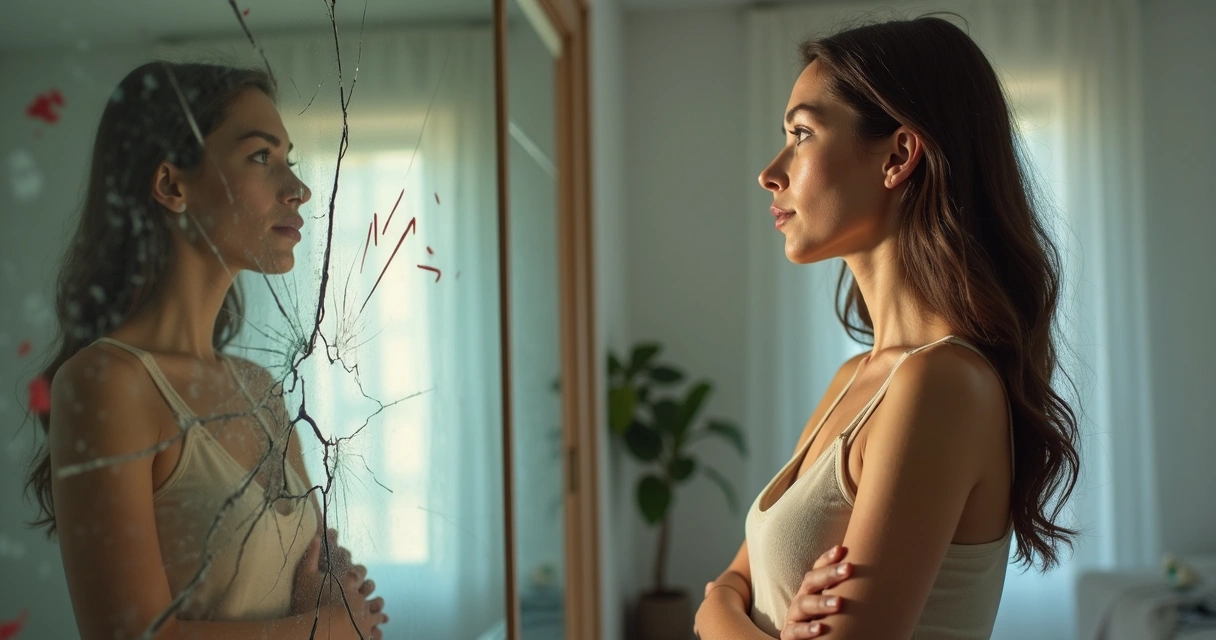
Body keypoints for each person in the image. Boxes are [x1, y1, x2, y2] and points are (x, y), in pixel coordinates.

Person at [694, 16, 1080, 640]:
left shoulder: (943, 384)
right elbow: (724, 588)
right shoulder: (858, 378)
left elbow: (721, 601)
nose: (771, 172)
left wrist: (719, 615)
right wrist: (724, 608)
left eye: (802, 134)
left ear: (898, 156)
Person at [22, 61, 388, 640]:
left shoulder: (260, 387)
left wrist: (323, 593)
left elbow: (296, 593)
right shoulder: (106, 382)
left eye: (288, 159)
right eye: (261, 157)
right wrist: (328, 629)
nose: (298, 189)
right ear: (172, 186)